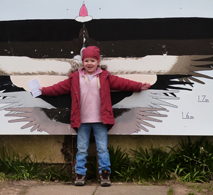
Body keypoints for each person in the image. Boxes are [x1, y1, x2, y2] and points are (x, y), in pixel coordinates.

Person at [40, 46, 150, 187]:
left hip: (100, 120)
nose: (89, 63)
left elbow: (123, 83)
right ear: (82, 62)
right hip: (82, 121)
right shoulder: (75, 78)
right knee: (81, 149)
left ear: (98, 62)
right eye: (86, 60)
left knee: (102, 148)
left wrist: (139, 86)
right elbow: (58, 88)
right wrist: (42, 91)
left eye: (92, 60)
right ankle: (80, 174)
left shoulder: (105, 76)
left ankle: (105, 174)